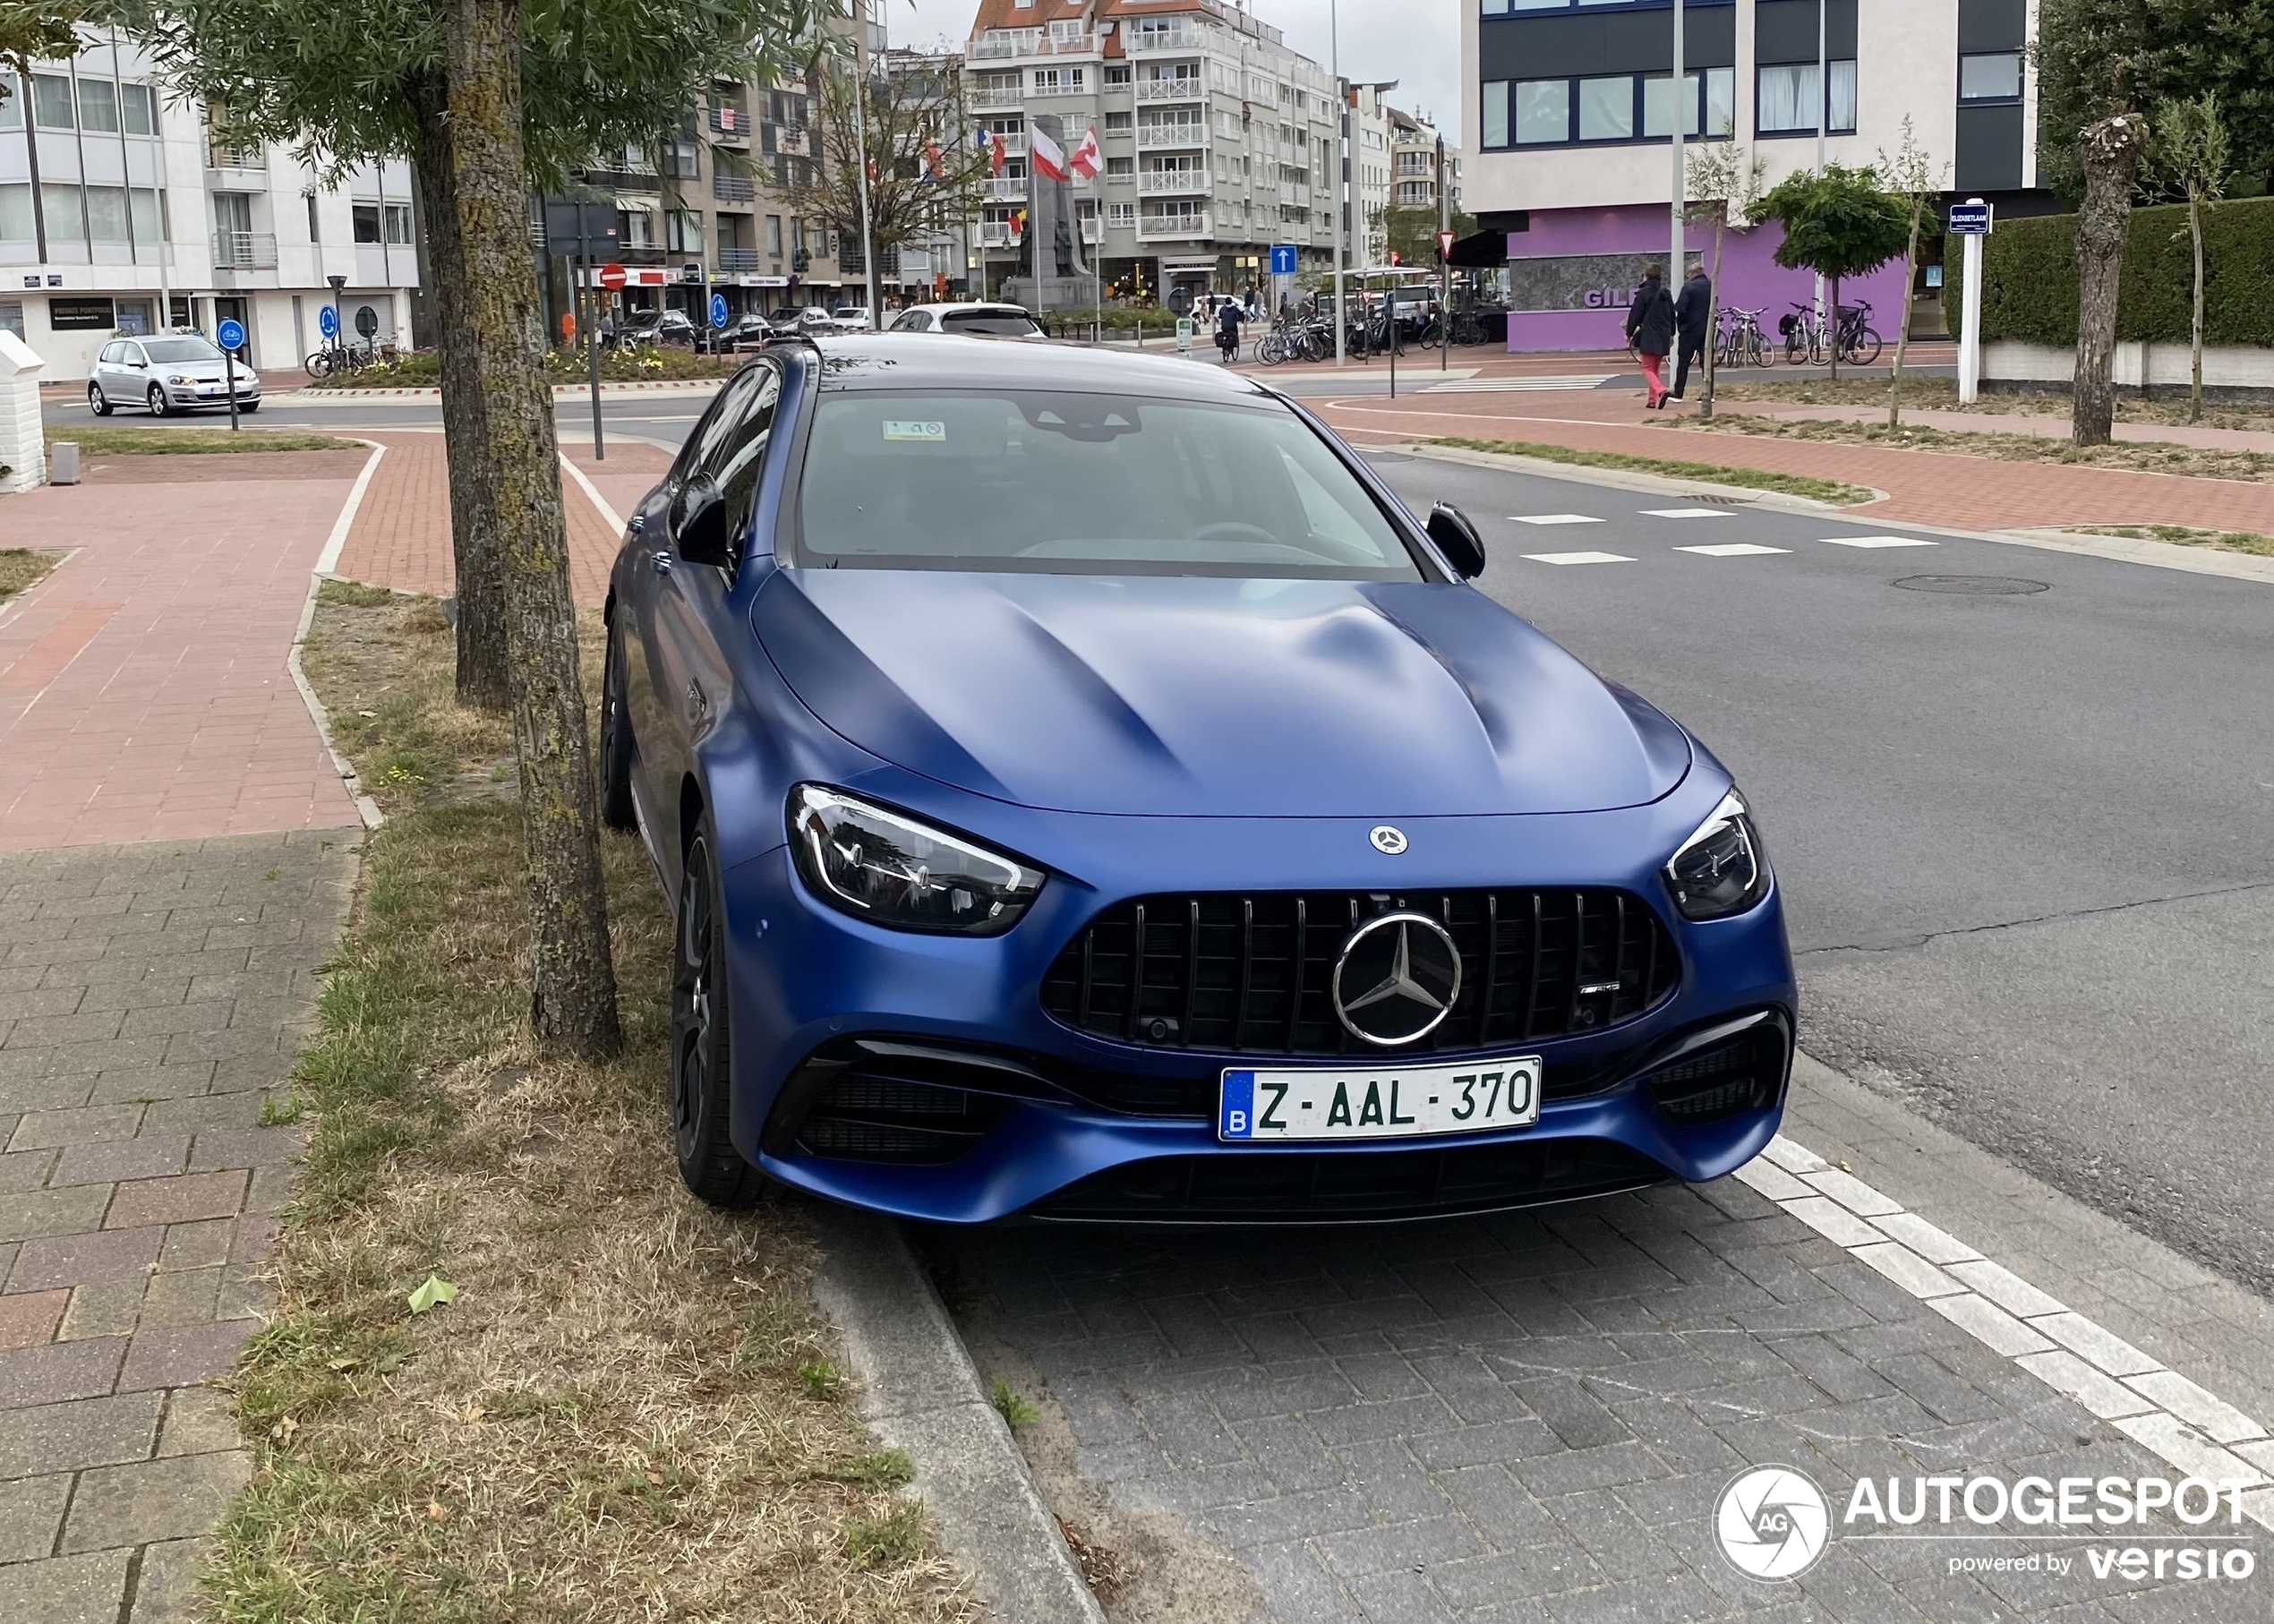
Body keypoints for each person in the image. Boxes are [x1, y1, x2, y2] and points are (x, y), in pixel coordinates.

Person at [1624, 262, 1676, 410]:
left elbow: (1635, 315)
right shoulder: (1666, 293)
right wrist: (1672, 333)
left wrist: (1629, 332)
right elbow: (1672, 315)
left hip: (1649, 334)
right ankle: (1651, 400)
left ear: (1645, 275)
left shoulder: (1643, 294)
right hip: (1663, 335)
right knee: (1655, 368)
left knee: (1646, 366)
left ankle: (1660, 391)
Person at [1671, 259, 1711, 400]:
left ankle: (1678, 392)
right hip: (1707, 329)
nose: (1687, 276)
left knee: (1683, 362)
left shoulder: (1688, 288)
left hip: (1689, 330)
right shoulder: (1711, 285)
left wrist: (1680, 325)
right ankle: (1708, 393)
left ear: (1693, 272)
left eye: (1687, 273)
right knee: (1706, 362)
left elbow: (1681, 309)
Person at [1216, 296, 1244, 363]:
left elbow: (1220, 316)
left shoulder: (1223, 308)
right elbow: (1240, 314)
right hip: (1232, 327)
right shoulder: (1234, 308)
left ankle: (1224, 346)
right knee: (1234, 333)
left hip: (1224, 327)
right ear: (1231, 302)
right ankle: (1233, 343)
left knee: (1225, 333)